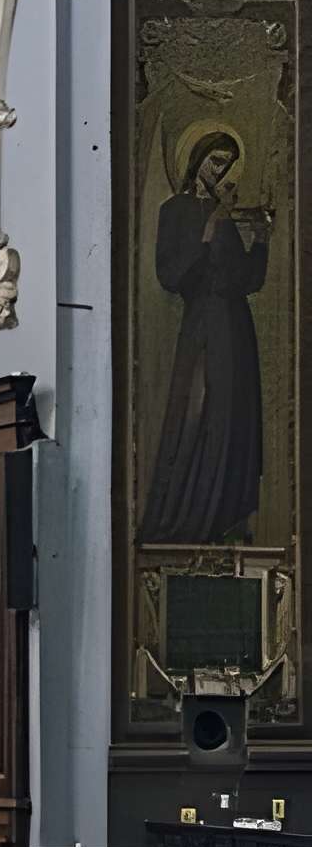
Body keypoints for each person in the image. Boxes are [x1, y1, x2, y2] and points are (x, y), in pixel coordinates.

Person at [142, 126, 270, 544]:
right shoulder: (175, 210)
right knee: (197, 414)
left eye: (229, 164)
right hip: (201, 326)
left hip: (235, 327)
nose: (222, 171)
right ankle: (181, 520)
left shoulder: (225, 216)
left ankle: (224, 522)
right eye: (217, 161)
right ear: (197, 159)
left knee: (231, 418)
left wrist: (262, 242)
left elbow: (245, 280)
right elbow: (172, 274)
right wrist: (210, 229)